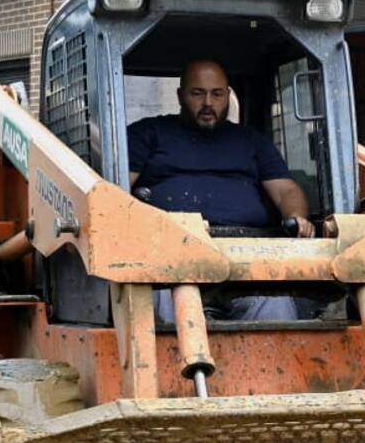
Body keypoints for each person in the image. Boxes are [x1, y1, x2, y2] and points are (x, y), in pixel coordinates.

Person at [127, 59, 313, 323]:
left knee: (277, 306)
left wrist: (298, 217)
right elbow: (118, 190)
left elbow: (285, 190)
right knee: (165, 309)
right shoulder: (147, 134)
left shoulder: (251, 141)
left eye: (216, 94)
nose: (208, 103)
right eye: (197, 93)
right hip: (168, 256)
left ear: (227, 95)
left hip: (247, 258)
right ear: (180, 96)